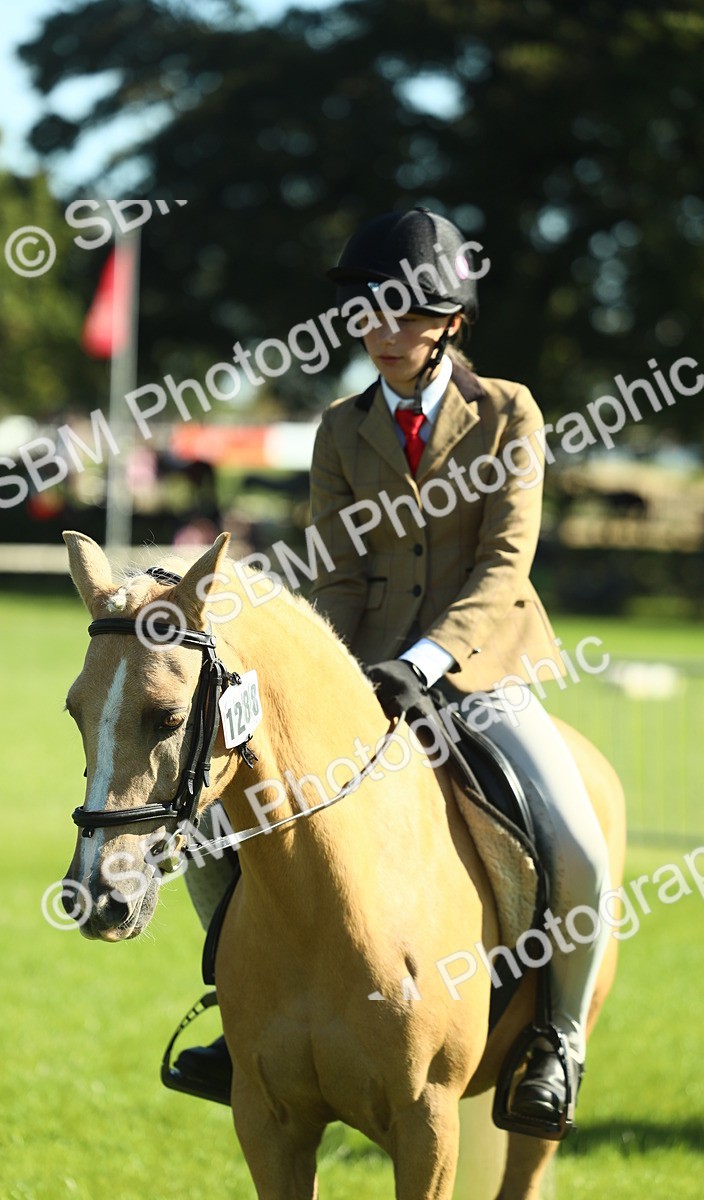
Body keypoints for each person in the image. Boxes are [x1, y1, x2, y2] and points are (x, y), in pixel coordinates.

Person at [307, 206, 610, 1132]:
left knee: (580, 850)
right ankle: (240, 1020)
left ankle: (557, 1040)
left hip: (481, 673)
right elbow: (342, 573)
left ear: (451, 323)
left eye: (407, 316)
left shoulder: (510, 410)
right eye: (370, 313)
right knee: (234, 822)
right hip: (366, 678)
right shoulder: (339, 428)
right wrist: (340, 676)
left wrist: (426, 661)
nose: (384, 334)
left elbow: (503, 565)